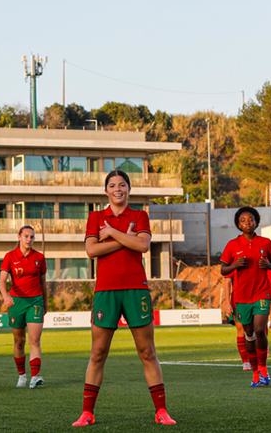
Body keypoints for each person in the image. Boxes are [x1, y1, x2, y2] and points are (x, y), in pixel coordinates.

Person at [72, 170, 176, 426]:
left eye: (122, 185)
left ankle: (161, 411)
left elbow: (142, 246)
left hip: (136, 289)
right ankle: (87, 412)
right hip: (105, 290)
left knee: (147, 351)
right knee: (98, 353)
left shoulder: (140, 215)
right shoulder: (96, 216)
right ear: (105, 190)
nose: (117, 189)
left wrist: (112, 233)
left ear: (129, 189)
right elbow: (92, 250)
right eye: (112, 185)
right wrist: (126, 237)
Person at [221, 206, 271, 388]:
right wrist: (235, 265)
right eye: (243, 220)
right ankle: (254, 370)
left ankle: (263, 367)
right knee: (249, 333)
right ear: (238, 224)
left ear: (256, 222)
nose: (248, 223)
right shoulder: (232, 245)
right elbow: (223, 269)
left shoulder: (265, 243)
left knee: (260, 329)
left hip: (262, 292)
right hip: (241, 297)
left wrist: (268, 264)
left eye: (251, 219)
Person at [0, 225, 49, 389]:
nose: (29, 240)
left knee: (34, 340)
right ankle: (22, 375)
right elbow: (2, 280)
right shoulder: (10, 256)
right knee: (19, 341)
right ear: (19, 237)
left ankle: (35, 377)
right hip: (16, 302)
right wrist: (6, 296)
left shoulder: (40, 258)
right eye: (26, 236)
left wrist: (46, 302)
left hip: (35, 302)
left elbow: (43, 283)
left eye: (32, 237)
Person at [221, 277, 251, 370]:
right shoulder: (235, 263)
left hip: (254, 298)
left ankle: (255, 357)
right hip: (237, 300)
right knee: (241, 329)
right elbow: (227, 281)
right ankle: (245, 361)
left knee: (253, 330)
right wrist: (227, 303)